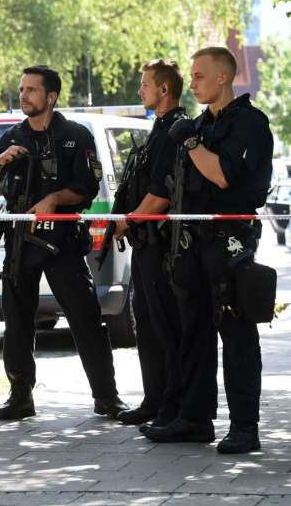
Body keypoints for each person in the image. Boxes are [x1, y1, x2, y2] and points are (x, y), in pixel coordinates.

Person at [0, 65, 128, 421]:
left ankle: (106, 397)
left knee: (85, 318)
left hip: (62, 240)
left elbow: (87, 188)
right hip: (21, 242)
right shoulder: (13, 136)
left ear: (51, 96)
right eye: (22, 89)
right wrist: (1, 161)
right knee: (16, 322)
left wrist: (56, 199)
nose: (24, 95)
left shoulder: (75, 135)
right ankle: (19, 396)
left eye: (31, 89)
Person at [144, 47, 273, 453]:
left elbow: (221, 175)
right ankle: (195, 419)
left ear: (222, 78)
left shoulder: (250, 124)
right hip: (191, 244)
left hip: (229, 241)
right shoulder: (200, 124)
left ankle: (244, 427)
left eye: (200, 76)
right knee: (193, 332)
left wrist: (193, 143)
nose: (193, 82)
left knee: (236, 333)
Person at [111, 60, 186, 431]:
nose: (140, 91)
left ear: (164, 90)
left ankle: (172, 405)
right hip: (145, 246)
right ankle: (154, 399)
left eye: (145, 84)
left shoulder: (174, 131)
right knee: (147, 325)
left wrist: (128, 220)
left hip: (161, 247)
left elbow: (159, 196)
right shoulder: (158, 129)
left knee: (164, 326)